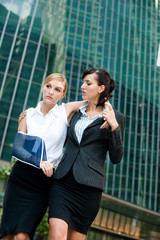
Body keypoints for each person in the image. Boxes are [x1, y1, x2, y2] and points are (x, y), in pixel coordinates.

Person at [0, 73, 85, 240]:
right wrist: (40, 161)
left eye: (57, 89)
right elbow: (17, 149)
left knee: (22, 236)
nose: (51, 92)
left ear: (63, 94)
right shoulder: (29, 114)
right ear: (42, 87)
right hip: (20, 179)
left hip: (42, 183)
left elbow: (93, 100)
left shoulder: (65, 111)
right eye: (48, 86)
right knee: (8, 235)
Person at [48, 68, 125, 240]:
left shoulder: (116, 117)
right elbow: (51, 120)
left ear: (101, 88)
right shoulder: (76, 111)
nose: (83, 86)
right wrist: (30, 115)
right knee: (56, 231)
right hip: (63, 182)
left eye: (88, 83)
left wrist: (114, 127)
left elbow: (116, 157)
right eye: (83, 82)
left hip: (89, 188)